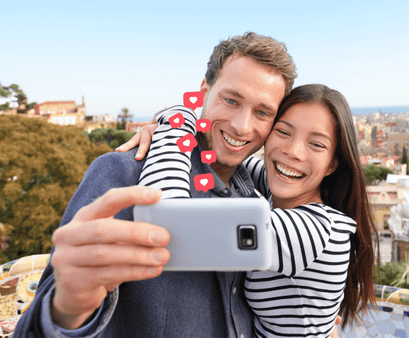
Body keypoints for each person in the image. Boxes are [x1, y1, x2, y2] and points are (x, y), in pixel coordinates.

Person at [14, 32, 297, 338]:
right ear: (204, 92)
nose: (242, 126)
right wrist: (67, 309)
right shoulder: (124, 175)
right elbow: (40, 322)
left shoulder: (256, 195)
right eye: (231, 100)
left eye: (262, 112)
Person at [130, 84, 378, 337]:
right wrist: (166, 128)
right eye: (283, 132)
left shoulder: (314, 230)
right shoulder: (279, 192)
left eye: (316, 144)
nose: (292, 152)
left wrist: (175, 123)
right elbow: (224, 154)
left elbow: (171, 229)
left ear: (332, 164)